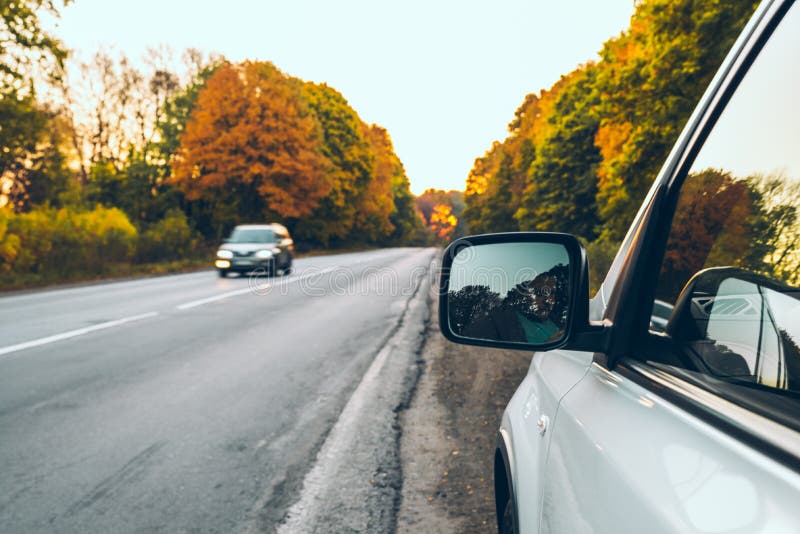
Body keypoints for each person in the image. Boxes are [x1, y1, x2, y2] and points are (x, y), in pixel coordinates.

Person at [462, 271, 563, 344]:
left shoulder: (558, 321)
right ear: (522, 294)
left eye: (552, 293)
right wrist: (546, 346)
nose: (549, 301)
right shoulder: (497, 321)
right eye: (539, 293)